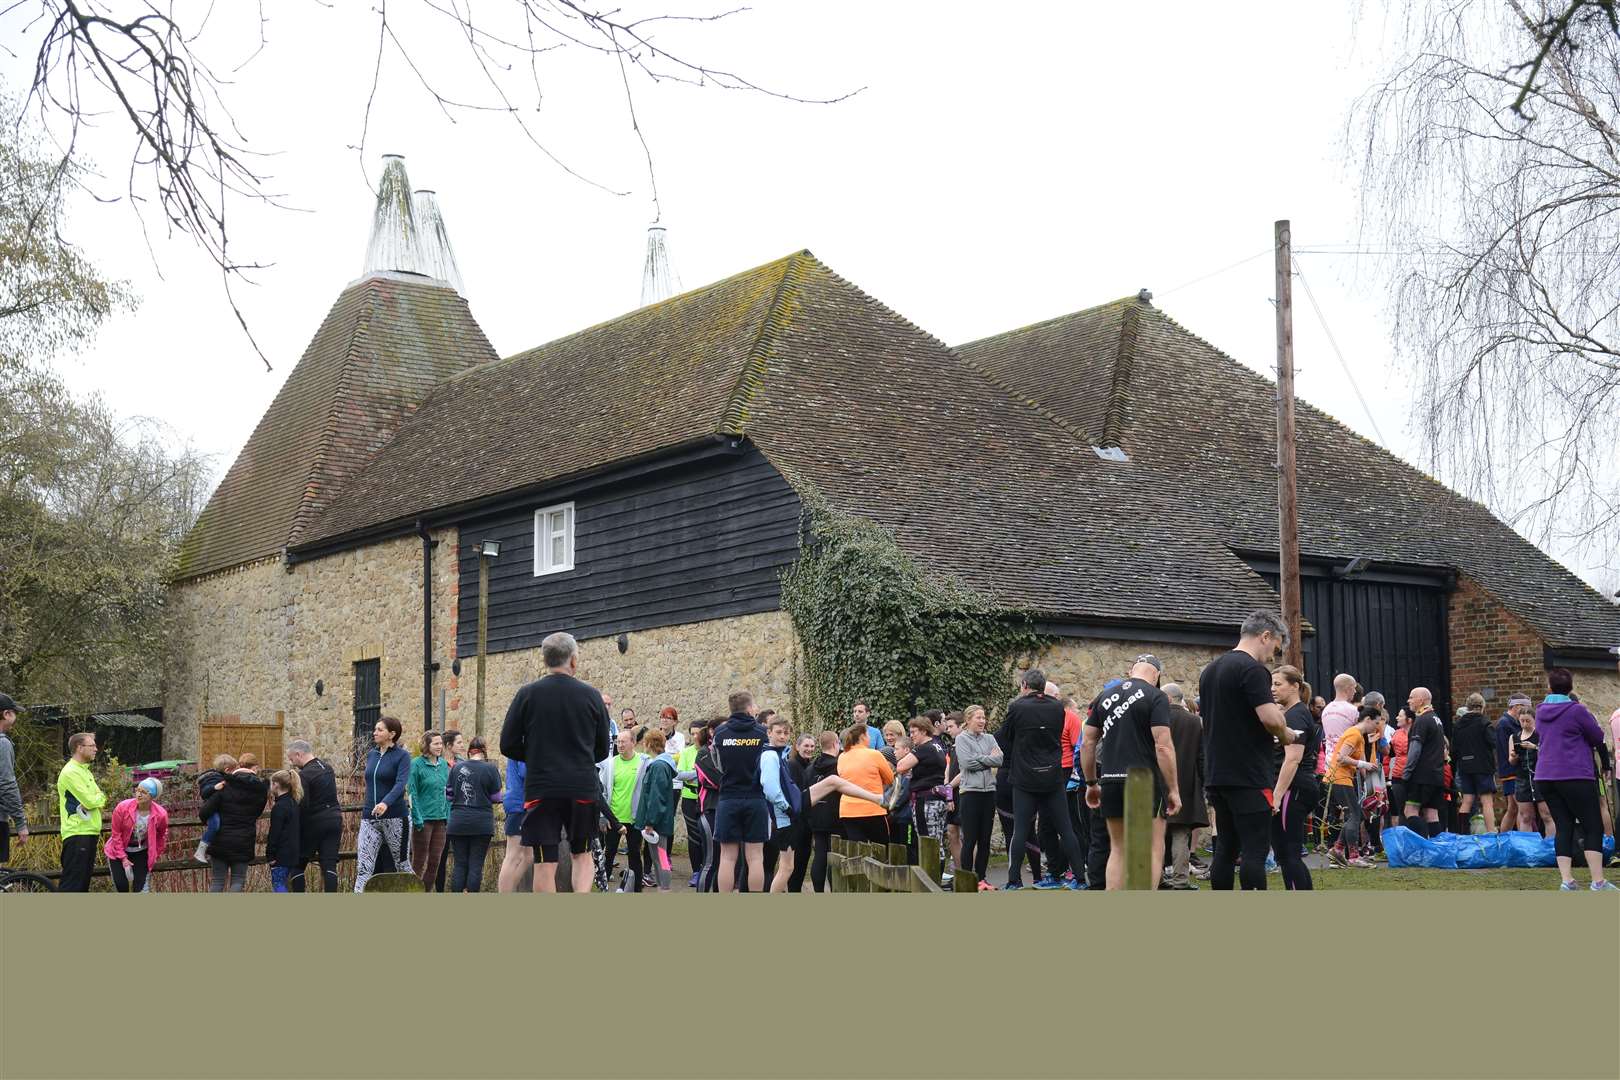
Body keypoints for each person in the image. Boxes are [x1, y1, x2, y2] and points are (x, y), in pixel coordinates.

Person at [499, 631, 613, 894]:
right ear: (573, 660)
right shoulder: (592, 695)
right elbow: (602, 748)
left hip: (542, 788)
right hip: (581, 787)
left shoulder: (527, 694)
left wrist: (537, 756)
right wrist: (580, 759)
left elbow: (508, 744)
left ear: (545, 659)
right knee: (582, 856)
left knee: (544, 863)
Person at [1198, 611, 1300, 891]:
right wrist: (1285, 733)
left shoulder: (1210, 670)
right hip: (1249, 774)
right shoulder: (1252, 670)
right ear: (1265, 636)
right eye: (1275, 649)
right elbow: (1270, 718)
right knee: (1255, 850)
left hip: (1218, 773)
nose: (1272, 657)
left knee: (1226, 849)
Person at [1080, 657, 1180, 890]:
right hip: (1143, 782)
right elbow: (1163, 746)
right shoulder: (1156, 696)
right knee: (1153, 849)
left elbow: (1087, 743)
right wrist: (1173, 789)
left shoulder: (1104, 697)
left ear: (1131, 670)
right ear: (1156, 675)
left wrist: (1091, 783)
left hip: (1111, 780)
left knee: (1118, 849)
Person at [1003, 668, 1088, 891]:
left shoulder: (1017, 707)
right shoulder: (1057, 707)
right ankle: (1080, 878)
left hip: (1024, 777)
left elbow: (1006, 737)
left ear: (1024, 685)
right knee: (1066, 828)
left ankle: (1014, 880)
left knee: (1020, 829)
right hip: (1053, 775)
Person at [1532, 669, 1616, 890]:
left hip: (1545, 776)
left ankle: (1566, 880)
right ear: (1570, 688)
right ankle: (1598, 881)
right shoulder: (1577, 710)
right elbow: (1597, 737)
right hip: (1574, 774)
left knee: (1564, 826)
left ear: (1549, 688)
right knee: (1592, 826)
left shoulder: (1540, 711)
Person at [1265, 666, 1319, 889]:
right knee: (1287, 854)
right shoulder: (1291, 713)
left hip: (1293, 789)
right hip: (1293, 788)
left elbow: (1292, 759)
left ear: (1295, 686)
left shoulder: (1296, 715)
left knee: (1289, 854)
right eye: (1272, 684)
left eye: (1278, 684)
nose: (1272, 689)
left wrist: (1276, 796)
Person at [713, 691, 771, 893]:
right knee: (755, 856)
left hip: (728, 797)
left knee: (727, 857)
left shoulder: (720, 734)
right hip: (756, 798)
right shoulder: (763, 733)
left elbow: (717, 765)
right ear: (748, 708)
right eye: (754, 705)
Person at [355, 716, 413, 893]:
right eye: (375, 729)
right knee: (364, 867)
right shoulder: (372, 755)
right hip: (369, 819)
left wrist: (385, 803)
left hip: (395, 818)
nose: (375, 732)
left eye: (380, 730)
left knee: (402, 865)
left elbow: (400, 783)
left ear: (392, 734)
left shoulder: (402, 756)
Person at [1162, 683, 1207, 890]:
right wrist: (1203, 783)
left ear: (1168, 699)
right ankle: (1180, 880)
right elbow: (1201, 757)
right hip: (1186, 784)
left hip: (1159, 783)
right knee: (1181, 833)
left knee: (1156, 834)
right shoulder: (1194, 722)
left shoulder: (1157, 719)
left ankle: (1158, 878)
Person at [203, 754, 270, 892]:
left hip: (221, 838)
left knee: (217, 881)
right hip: (244, 839)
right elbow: (257, 813)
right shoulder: (261, 790)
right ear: (255, 768)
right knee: (238, 880)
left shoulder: (225, 784)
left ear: (239, 766)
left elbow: (205, 812)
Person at [953, 705, 1002, 890]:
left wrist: (979, 758)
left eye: (983, 717)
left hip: (988, 793)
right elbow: (966, 763)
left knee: (985, 839)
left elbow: (1000, 760)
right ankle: (967, 879)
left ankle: (982, 879)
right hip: (970, 794)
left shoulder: (989, 738)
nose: (982, 721)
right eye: (978, 717)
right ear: (968, 720)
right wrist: (987, 758)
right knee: (970, 838)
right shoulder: (961, 738)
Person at [1326, 707, 1382, 868]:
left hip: (1344, 779)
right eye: (1376, 723)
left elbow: (1364, 766)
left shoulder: (1360, 737)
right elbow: (1341, 758)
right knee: (1354, 815)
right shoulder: (1354, 734)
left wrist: (1371, 787)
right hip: (1339, 778)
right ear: (1368, 719)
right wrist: (1364, 764)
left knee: (1356, 814)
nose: (1377, 727)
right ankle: (1353, 857)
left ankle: (1337, 850)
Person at [283, 741, 341, 892]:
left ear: (298, 754)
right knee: (329, 865)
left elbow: (303, 804)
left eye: (291, 758)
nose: (292, 763)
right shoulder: (327, 768)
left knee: (297, 865)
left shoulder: (304, 775)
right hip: (335, 819)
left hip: (314, 822)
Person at [447, 737, 503, 892]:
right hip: (481, 823)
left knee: (459, 865)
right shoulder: (490, 769)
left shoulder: (456, 768)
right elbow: (497, 798)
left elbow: (449, 796)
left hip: (458, 822)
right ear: (484, 750)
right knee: (475, 865)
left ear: (469, 751)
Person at [598, 727, 650, 892]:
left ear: (633, 743)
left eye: (623, 742)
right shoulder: (611, 763)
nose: (619, 745)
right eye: (617, 741)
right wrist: (603, 816)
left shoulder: (644, 762)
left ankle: (636, 889)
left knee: (634, 854)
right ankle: (603, 888)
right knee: (609, 853)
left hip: (634, 818)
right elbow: (603, 792)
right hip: (614, 818)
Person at [894, 715, 950, 866]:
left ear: (924, 731)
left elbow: (900, 767)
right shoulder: (938, 746)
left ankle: (930, 882)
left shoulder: (924, 749)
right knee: (937, 843)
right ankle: (936, 880)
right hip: (938, 799)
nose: (911, 736)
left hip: (925, 802)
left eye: (914, 732)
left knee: (927, 843)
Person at [55, 732, 106, 892]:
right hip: (78, 834)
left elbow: (102, 798)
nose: (96, 749)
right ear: (79, 748)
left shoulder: (85, 771)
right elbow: (91, 801)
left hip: (88, 832)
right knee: (73, 886)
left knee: (82, 886)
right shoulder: (71, 772)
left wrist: (98, 798)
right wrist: (98, 798)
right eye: (92, 746)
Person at [630, 729, 679, 892]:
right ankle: (663, 887)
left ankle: (665, 889)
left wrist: (650, 822)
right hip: (659, 821)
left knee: (661, 857)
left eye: (645, 741)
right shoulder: (660, 764)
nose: (643, 744)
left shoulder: (658, 766)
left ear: (650, 744)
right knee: (658, 857)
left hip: (657, 823)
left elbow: (656, 797)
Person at [105, 778, 168, 894]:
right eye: (138, 790)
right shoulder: (122, 807)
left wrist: (155, 853)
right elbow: (116, 834)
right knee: (121, 885)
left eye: (144, 792)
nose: (138, 794)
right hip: (118, 850)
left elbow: (161, 835)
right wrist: (123, 858)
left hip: (141, 851)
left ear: (153, 796)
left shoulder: (161, 814)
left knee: (139, 887)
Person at [1400, 687, 1448, 838]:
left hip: (1421, 776)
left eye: (1411, 697)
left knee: (1410, 811)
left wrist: (1406, 772)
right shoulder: (1436, 719)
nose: (1409, 701)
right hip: (1436, 775)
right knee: (1431, 813)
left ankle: (1423, 847)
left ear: (1421, 700)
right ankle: (1438, 849)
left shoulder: (1421, 720)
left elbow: (1415, 749)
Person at [838, 723, 894, 845]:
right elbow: (890, 779)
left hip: (847, 810)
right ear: (863, 736)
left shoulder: (842, 756)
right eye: (868, 734)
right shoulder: (874, 754)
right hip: (873, 809)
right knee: (881, 849)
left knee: (857, 850)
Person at [408, 730, 451, 891]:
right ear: (426, 745)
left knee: (435, 862)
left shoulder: (443, 765)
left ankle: (425, 892)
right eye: (436, 743)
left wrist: (448, 813)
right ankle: (411, 894)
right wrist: (417, 817)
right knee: (419, 861)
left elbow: (447, 792)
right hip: (423, 820)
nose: (440, 746)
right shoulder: (416, 764)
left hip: (441, 820)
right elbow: (412, 793)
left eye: (441, 743)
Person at [1452, 693, 1498, 833]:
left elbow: (1455, 749)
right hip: (1483, 767)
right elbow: (1493, 742)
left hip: (1465, 767)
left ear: (1468, 706)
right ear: (1482, 706)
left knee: (1466, 801)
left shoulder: (1458, 725)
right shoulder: (1484, 723)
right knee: (1487, 802)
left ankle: (1463, 834)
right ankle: (1491, 833)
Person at [1507, 708, 1551, 837]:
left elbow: (1549, 754)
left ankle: (1552, 846)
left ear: (1534, 720)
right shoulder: (1514, 737)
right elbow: (1511, 760)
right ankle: (1528, 849)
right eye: (1522, 721)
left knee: (1546, 814)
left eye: (1528, 721)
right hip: (1522, 779)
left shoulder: (1541, 734)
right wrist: (1513, 757)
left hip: (1540, 777)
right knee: (1526, 816)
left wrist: (1534, 747)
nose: (1525, 724)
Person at [784, 734, 819, 892]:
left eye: (812, 746)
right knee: (795, 864)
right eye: (806, 746)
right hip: (796, 822)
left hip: (806, 821)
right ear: (797, 747)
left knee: (802, 861)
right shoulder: (792, 765)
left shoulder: (809, 765)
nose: (809, 749)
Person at [674, 721, 706, 888]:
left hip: (706, 798)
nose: (695, 737)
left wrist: (694, 774)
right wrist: (700, 772)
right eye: (692, 733)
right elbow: (679, 774)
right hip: (689, 796)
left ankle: (708, 869)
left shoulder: (710, 751)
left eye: (698, 733)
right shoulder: (686, 752)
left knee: (706, 835)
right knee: (693, 836)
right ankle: (696, 872)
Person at [433, 730, 464, 894]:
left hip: (460, 817)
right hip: (442, 818)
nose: (462, 745)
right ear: (448, 745)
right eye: (459, 742)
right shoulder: (437, 765)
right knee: (440, 860)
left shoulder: (463, 764)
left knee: (461, 859)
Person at [497, 753, 532, 893]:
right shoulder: (523, 745)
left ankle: (509, 890)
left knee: (529, 856)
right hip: (519, 804)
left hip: (524, 804)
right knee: (513, 855)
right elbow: (526, 772)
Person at [1494, 697, 1529, 832]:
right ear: (1517, 706)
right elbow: (1507, 750)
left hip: (1511, 771)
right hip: (1511, 772)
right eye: (1524, 708)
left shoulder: (1510, 723)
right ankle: (1522, 841)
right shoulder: (1505, 724)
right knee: (1521, 809)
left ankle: (1502, 839)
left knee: (1513, 809)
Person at [265, 769, 303, 893]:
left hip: (281, 854)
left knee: (278, 883)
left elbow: (275, 832)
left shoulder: (280, 807)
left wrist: (270, 853)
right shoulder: (294, 803)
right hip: (293, 852)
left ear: (276, 784)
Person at [0, 693, 27, 865]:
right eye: (14, 713)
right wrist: (20, 823)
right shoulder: (2, 743)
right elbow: (6, 784)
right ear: (6, 714)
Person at [192, 754, 232, 864]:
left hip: (216, 808)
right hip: (211, 809)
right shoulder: (213, 778)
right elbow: (204, 792)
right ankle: (200, 851)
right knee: (215, 825)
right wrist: (215, 787)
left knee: (218, 827)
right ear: (227, 770)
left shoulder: (220, 777)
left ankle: (210, 851)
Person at [1320, 674, 1360, 780]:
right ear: (1348, 688)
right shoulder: (1353, 711)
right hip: (1346, 766)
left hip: (1329, 764)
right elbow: (1358, 739)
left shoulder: (1326, 710)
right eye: (1354, 688)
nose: (1355, 691)